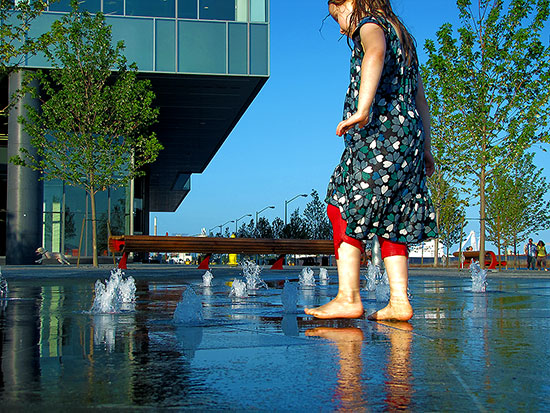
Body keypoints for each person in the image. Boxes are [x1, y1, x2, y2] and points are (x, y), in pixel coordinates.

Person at [305, 0, 437, 321]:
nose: (339, 27)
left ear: (351, 2)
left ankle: (348, 297)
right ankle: (398, 301)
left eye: (338, 16)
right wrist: (427, 148)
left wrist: (363, 110)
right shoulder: (403, 37)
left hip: (379, 135)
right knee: (394, 216)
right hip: (409, 136)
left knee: (341, 203)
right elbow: (420, 97)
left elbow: (374, 53)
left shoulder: (370, 25)